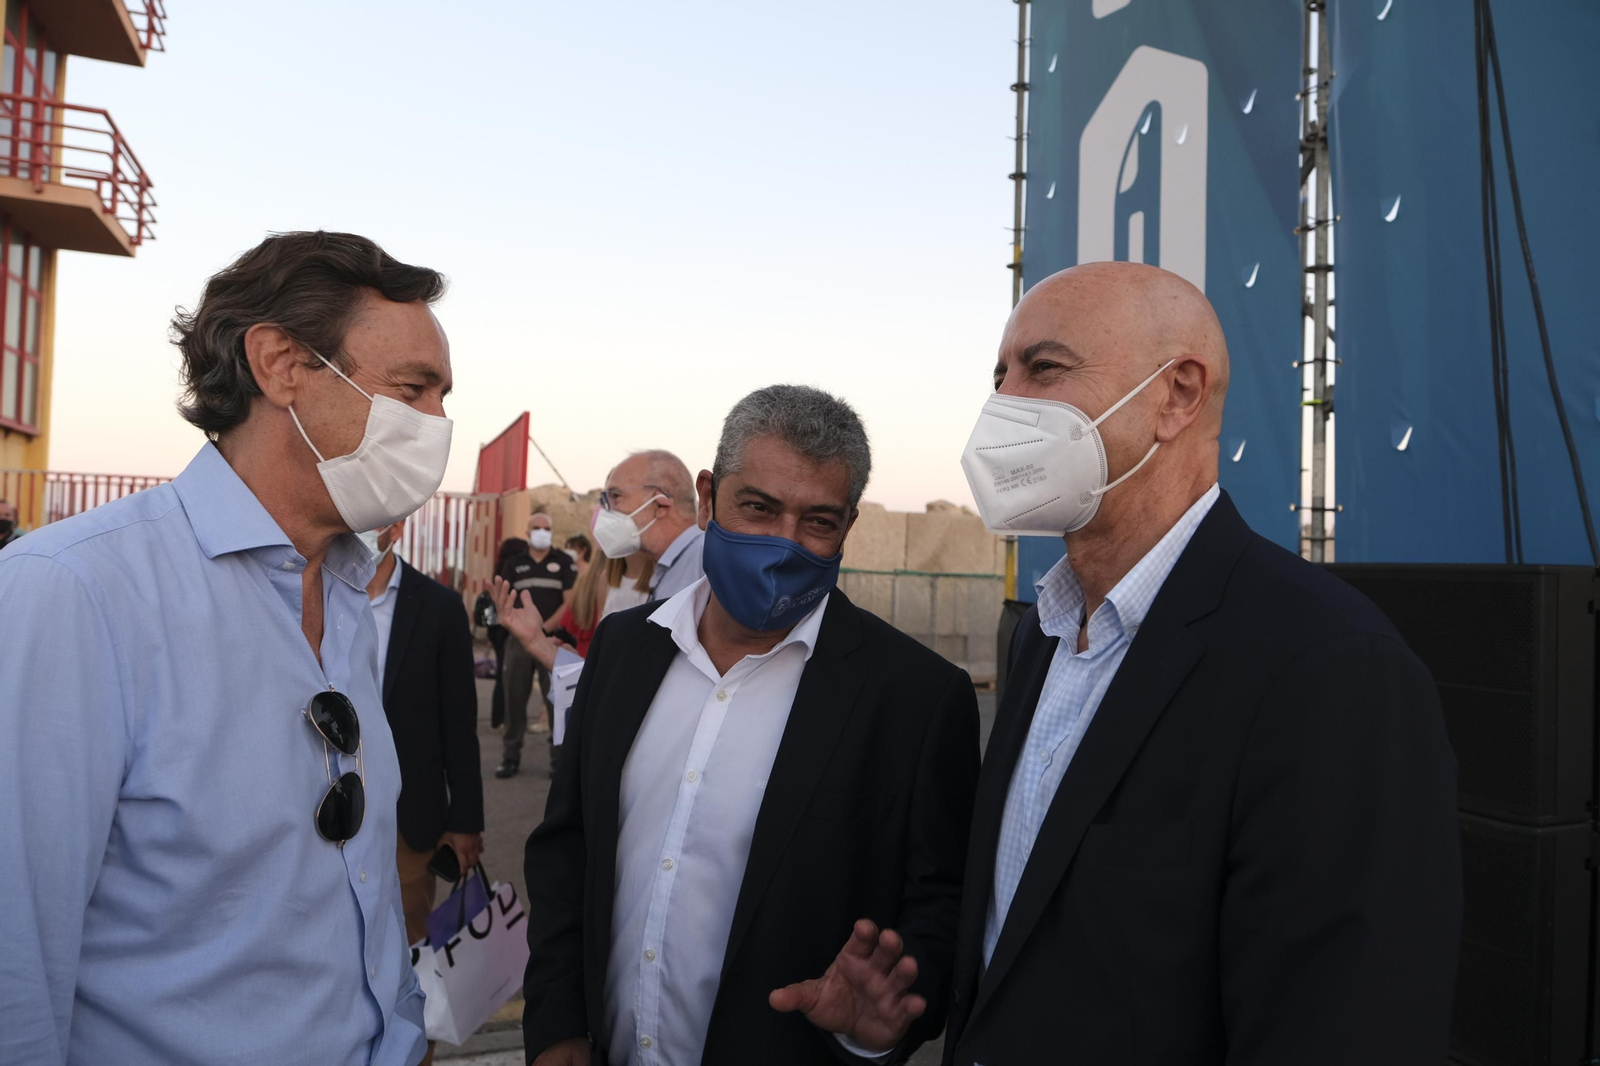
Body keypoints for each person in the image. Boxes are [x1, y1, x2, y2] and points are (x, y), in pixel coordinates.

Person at [943, 262, 1461, 1066]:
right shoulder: (1040, 633)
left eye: (1043, 369)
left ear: (1178, 394)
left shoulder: (1329, 668)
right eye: (1000, 375)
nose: (1003, 405)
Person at [0, 230, 450, 1065]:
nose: (437, 425)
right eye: (412, 390)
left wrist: (402, 1024)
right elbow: (14, 959)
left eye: (441, 397)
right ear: (280, 363)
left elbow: (355, 894)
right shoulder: (74, 593)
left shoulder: (349, 590)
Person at [494, 385, 981, 1066]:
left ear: (848, 525)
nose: (783, 546)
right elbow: (568, 847)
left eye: (818, 522)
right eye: (758, 508)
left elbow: (941, 905)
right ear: (707, 496)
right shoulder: (623, 649)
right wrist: (559, 1023)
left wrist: (884, 1018)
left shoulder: (916, 699)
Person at [364, 520, 485, 1065]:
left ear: (399, 524)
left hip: (407, 822)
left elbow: (459, 721)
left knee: (410, 960)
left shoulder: (436, 606)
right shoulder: (311, 592)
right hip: (321, 814)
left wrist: (466, 819)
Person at [496, 510, 576, 778]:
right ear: (528, 533)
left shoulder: (563, 562)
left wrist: (541, 631)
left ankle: (558, 760)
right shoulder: (514, 564)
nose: (542, 532)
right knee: (514, 701)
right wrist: (525, 632)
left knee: (556, 702)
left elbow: (569, 602)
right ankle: (510, 757)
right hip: (518, 643)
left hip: (552, 642)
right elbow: (504, 601)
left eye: (546, 528)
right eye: (537, 528)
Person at [592, 449, 705, 602]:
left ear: (659, 504)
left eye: (616, 496)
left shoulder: (705, 561)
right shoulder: (671, 565)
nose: (605, 509)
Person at [485, 536, 530, 730]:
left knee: (500, 675)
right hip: (505, 628)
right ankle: (503, 718)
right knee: (506, 676)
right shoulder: (513, 571)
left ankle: (497, 719)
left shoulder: (499, 569)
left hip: (494, 628)